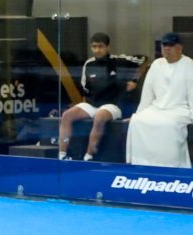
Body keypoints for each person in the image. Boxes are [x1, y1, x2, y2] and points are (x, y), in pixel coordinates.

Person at [58, 32, 145, 162]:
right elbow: (85, 88)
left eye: (100, 46)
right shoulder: (89, 64)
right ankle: (62, 155)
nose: (97, 50)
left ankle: (88, 157)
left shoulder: (118, 60)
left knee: (99, 117)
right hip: (92, 104)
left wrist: (134, 81)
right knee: (66, 116)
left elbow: (144, 60)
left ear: (107, 47)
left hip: (112, 105)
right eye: (94, 47)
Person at [125, 33, 193, 169]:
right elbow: (148, 92)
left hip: (180, 109)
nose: (167, 48)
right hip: (156, 108)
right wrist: (139, 112)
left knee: (169, 125)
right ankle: (142, 163)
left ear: (180, 47)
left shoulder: (190, 66)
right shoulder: (156, 64)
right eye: (165, 45)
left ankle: (171, 166)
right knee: (138, 121)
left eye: (171, 45)